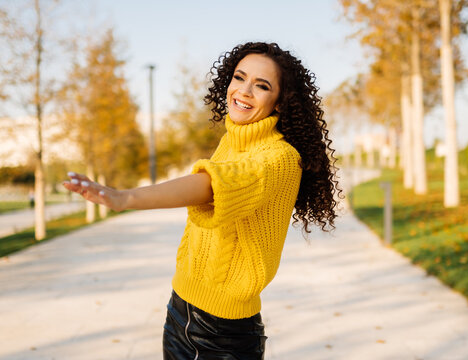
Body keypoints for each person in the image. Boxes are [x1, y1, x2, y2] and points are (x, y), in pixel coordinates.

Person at [63, 41, 340, 360]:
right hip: (179, 309)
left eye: (261, 86)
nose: (245, 90)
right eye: (240, 77)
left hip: (223, 336)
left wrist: (125, 198)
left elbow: (210, 187)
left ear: (280, 102)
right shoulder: (231, 140)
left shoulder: (281, 158)